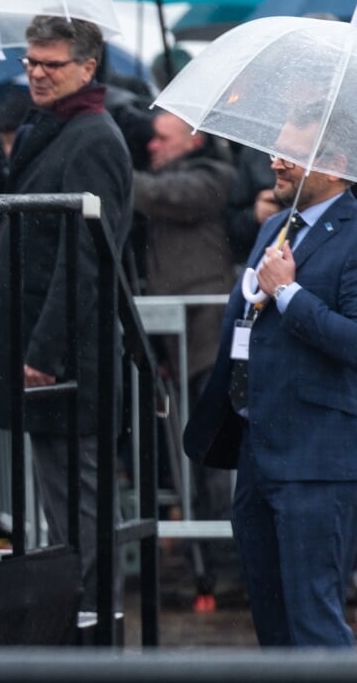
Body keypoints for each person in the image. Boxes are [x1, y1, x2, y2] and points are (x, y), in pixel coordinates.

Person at [0, 15, 134, 614]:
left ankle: (92, 623)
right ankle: (78, 617)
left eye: (50, 65)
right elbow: (25, 209)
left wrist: (44, 354)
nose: (35, 73)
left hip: (67, 357)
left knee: (79, 505)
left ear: (87, 68)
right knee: (63, 500)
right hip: (49, 348)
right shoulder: (53, 126)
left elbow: (86, 259)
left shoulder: (93, 137)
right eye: (31, 62)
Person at [184, 111, 357, 646]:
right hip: (256, 449)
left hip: (316, 457)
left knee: (313, 620)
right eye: (276, 149)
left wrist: (289, 294)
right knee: (272, 622)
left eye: (291, 153)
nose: (274, 161)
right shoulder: (273, 227)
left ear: (337, 164)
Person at [133, 111, 237, 607]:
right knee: (188, 460)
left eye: (162, 137)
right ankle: (205, 565)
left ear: (193, 137)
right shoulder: (168, 176)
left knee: (216, 457)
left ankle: (228, 564)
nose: (153, 146)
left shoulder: (213, 176)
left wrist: (111, 169)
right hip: (178, 341)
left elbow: (167, 197)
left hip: (205, 336)